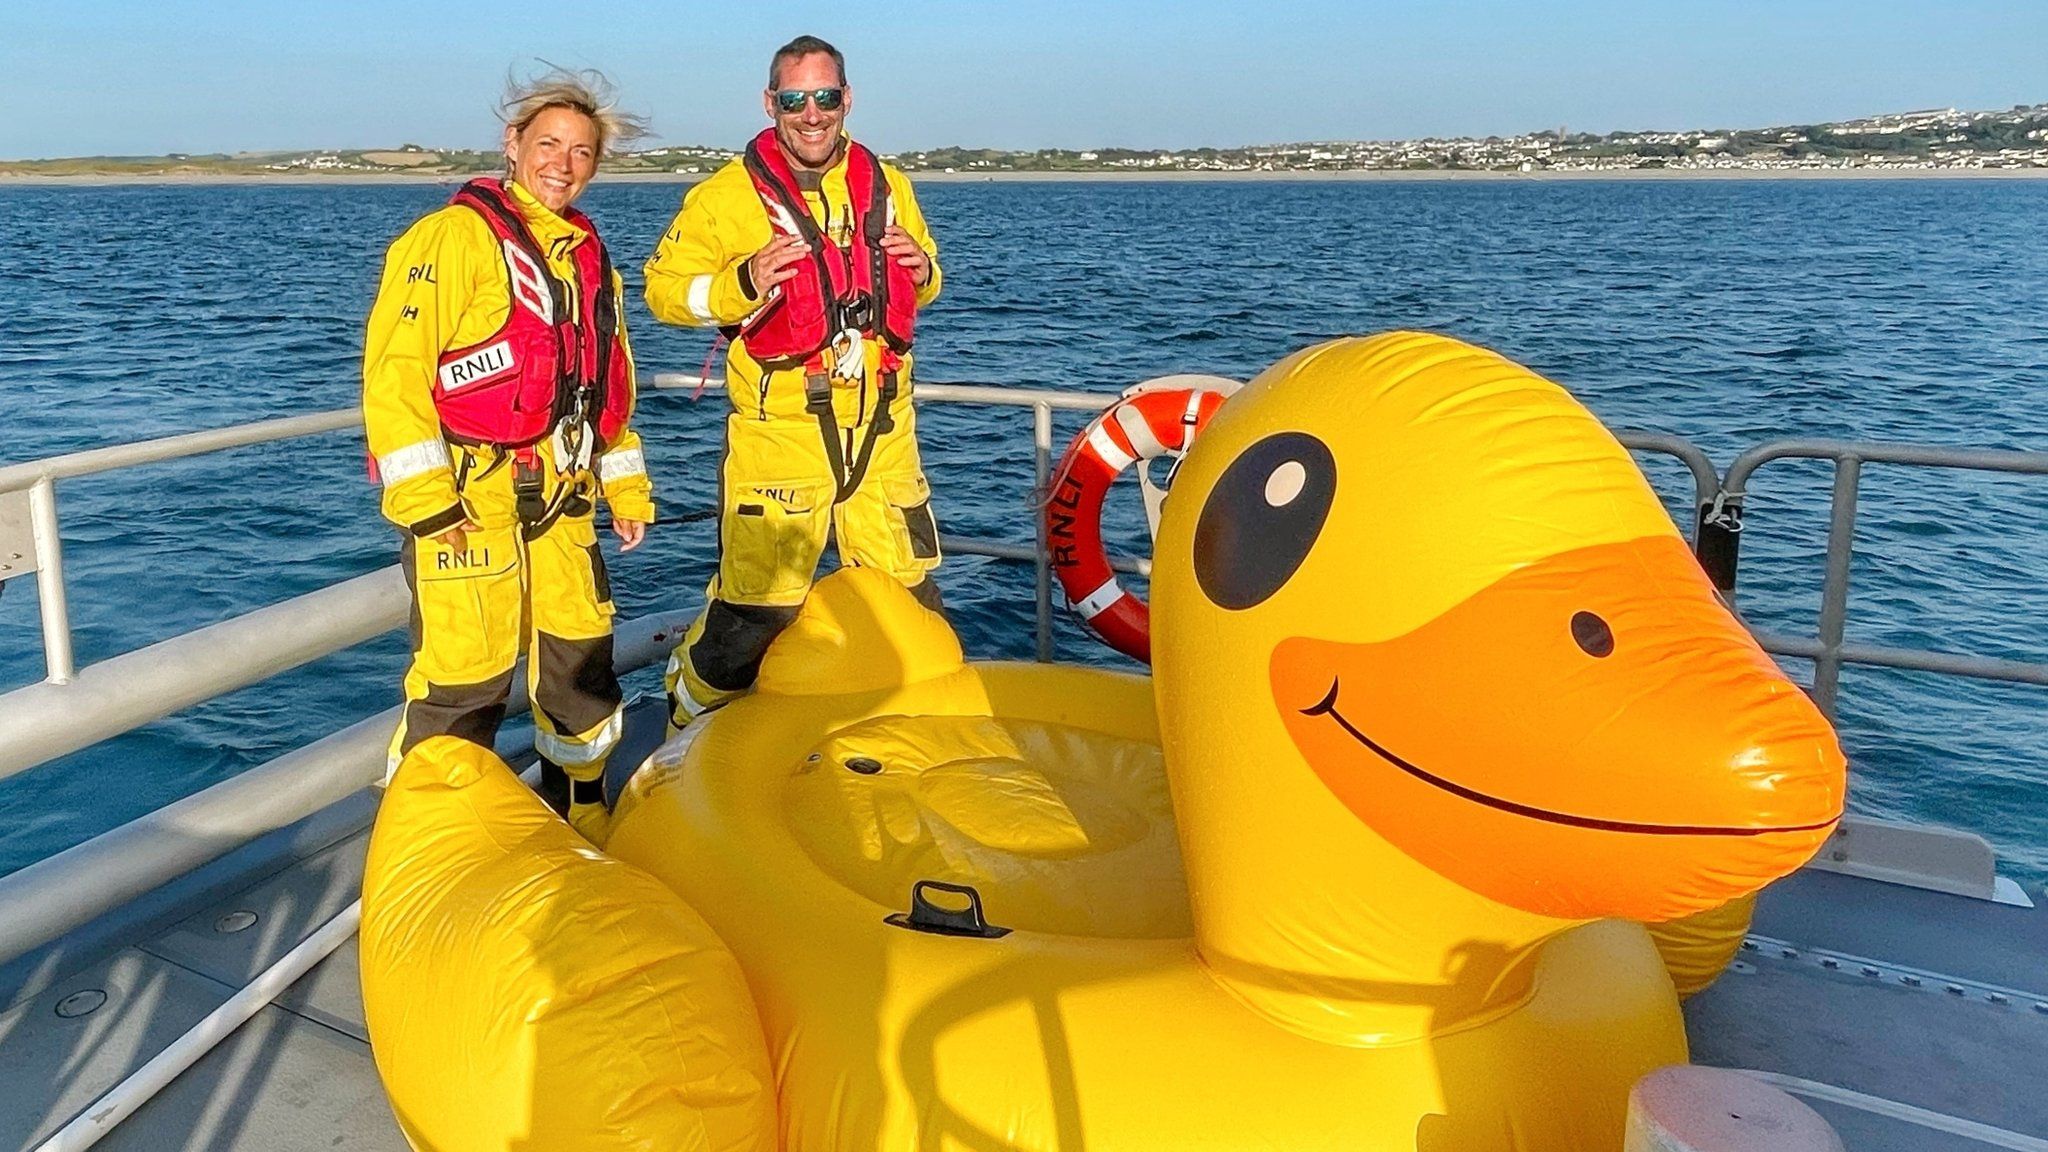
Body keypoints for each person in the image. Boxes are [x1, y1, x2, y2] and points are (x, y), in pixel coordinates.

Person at [362, 69, 653, 842]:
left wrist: (629, 490)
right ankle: (429, 843)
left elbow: (604, 387)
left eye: (581, 152)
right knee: (464, 685)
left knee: (580, 671)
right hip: (470, 508)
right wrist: (428, 504)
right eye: (548, 144)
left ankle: (581, 810)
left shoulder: (590, 259)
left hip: (564, 507)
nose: (562, 162)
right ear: (512, 145)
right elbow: (395, 377)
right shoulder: (450, 240)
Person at [646, 34, 945, 732]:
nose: (812, 114)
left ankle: (912, 740)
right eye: (794, 100)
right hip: (782, 437)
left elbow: (927, 278)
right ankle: (683, 728)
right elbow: (662, 292)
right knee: (756, 614)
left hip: (882, 433)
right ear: (770, 103)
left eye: (826, 97)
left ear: (847, 99)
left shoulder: (889, 184)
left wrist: (922, 272)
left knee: (910, 601)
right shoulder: (723, 199)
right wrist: (740, 282)